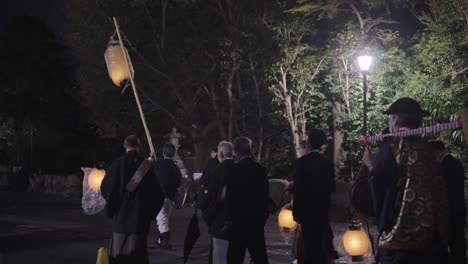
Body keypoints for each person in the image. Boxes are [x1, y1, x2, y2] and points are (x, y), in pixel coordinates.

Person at [363, 97, 449, 264]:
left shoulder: (394, 149)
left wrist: (369, 165)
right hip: (430, 238)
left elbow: (381, 185)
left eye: (390, 118)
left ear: (395, 119)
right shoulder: (431, 150)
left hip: (400, 240)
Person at [101, 135, 164, 264]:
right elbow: (158, 194)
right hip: (139, 219)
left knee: (118, 255)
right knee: (137, 256)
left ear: (125, 146)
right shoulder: (147, 166)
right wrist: (149, 214)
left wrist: (113, 206)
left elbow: (106, 187)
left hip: (121, 218)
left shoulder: (118, 164)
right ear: (138, 146)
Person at [292, 129, 335, 264]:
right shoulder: (327, 163)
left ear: (309, 142)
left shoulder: (301, 163)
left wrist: (296, 212)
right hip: (322, 209)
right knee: (319, 242)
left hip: (306, 211)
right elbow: (331, 188)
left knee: (310, 245)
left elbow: (297, 190)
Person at [225, 137, 269, 264]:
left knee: (235, 256)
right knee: (259, 255)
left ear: (236, 151)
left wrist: (228, 218)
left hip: (237, 221)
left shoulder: (234, 170)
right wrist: (264, 215)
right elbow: (264, 196)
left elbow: (230, 197)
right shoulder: (261, 170)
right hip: (256, 220)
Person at [429, 140, 467, 264]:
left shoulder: (445, 166)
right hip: (460, 207)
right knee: (458, 240)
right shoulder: (456, 162)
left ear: (437, 151)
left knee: (454, 240)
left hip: (451, 208)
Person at [200, 141, 235, 264]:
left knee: (219, 256)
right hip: (239, 223)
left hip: (220, 221)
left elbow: (208, 197)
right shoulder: (239, 169)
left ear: (220, 154)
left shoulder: (218, 170)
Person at [152, 143, 182, 250]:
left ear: (163, 152)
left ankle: (166, 242)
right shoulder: (175, 167)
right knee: (164, 219)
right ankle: (160, 240)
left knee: (162, 219)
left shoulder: (156, 163)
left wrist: (151, 160)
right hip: (171, 197)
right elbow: (179, 182)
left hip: (160, 196)